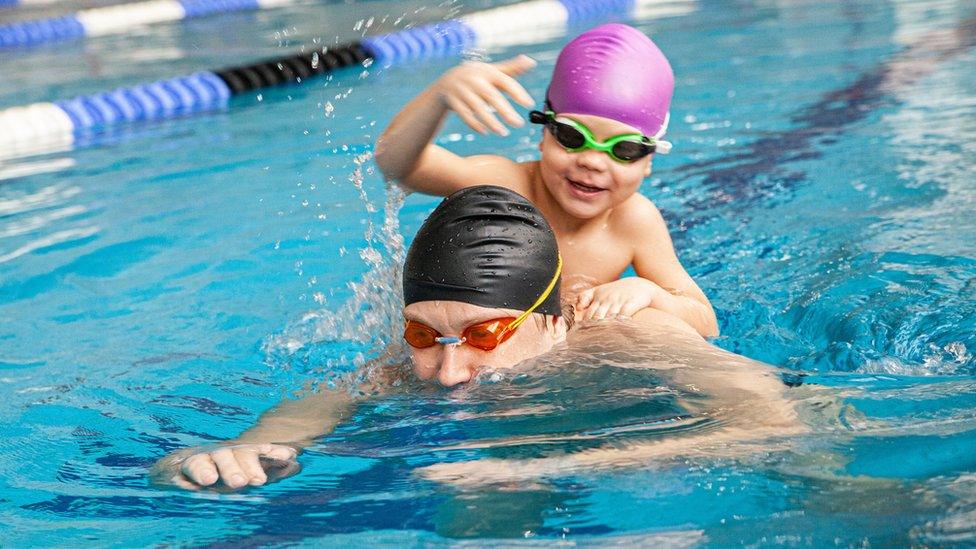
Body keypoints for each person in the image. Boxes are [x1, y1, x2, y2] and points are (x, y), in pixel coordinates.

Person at [151, 186, 797, 491]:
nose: (449, 368)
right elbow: (323, 403)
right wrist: (235, 450)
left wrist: (540, 465)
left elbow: (775, 423)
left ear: (548, 319)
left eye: (485, 334)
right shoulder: (417, 359)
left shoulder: (633, 335)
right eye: (422, 333)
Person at [375, 24, 719, 337]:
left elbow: (706, 321)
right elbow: (398, 165)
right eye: (571, 136)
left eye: (624, 149)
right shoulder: (505, 185)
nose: (592, 161)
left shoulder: (632, 221)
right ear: (543, 134)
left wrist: (651, 293)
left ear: (649, 162)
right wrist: (438, 98)